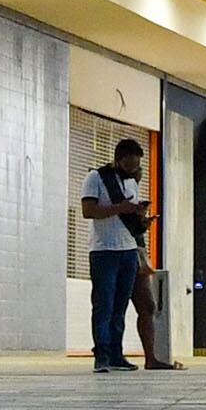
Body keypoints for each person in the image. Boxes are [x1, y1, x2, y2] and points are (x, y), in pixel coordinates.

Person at [80, 138, 148, 371]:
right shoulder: (96, 178)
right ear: (118, 159)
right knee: (103, 304)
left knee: (120, 306)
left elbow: (132, 218)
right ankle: (102, 354)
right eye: (129, 165)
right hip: (103, 251)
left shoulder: (131, 183)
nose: (133, 170)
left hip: (127, 250)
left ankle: (117, 354)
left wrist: (141, 218)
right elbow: (88, 211)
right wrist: (120, 208)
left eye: (137, 165)